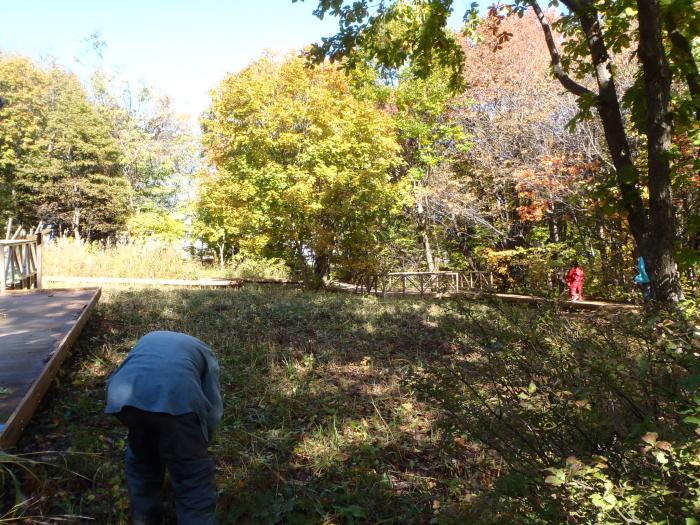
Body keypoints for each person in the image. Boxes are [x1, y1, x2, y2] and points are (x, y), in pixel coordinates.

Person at [105, 331, 223, 525]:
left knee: (142, 458)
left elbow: (122, 372)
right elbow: (213, 406)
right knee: (192, 475)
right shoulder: (205, 352)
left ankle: (144, 518)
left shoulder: (148, 338)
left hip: (124, 398)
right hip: (176, 398)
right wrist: (198, 442)